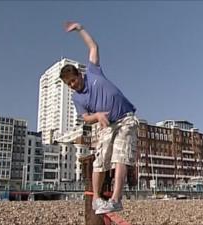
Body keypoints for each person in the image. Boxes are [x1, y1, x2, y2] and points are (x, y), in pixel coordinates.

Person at [60, 21, 139, 214]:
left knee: (120, 157)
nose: (72, 85)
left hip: (126, 119)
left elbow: (93, 46)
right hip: (107, 125)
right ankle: (96, 199)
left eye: (73, 80)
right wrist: (96, 115)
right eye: (68, 84)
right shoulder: (77, 98)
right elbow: (85, 117)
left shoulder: (93, 71)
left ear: (79, 75)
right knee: (100, 160)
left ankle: (115, 200)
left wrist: (80, 29)